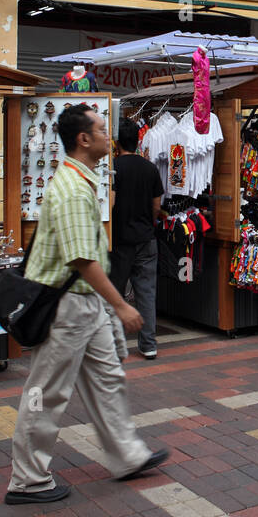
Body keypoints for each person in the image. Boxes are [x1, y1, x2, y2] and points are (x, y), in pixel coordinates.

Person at [6, 104, 168, 504]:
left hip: (84, 302)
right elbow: (82, 259)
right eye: (100, 129)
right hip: (67, 305)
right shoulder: (74, 188)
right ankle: (27, 480)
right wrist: (122, 306)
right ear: (83, 139)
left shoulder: (81, 180)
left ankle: (127, 455)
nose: (106, 135)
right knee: (46, 393)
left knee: (108, 379)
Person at [110, 116, 163, 360]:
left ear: (117, 142)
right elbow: (156, 205)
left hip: (120, 240)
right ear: (137, 140)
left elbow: (108, 205)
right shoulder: (150, 168)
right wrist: (148, 224)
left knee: (115, 293)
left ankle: (114, 344)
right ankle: (149, 344)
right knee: (146, 293)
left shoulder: (113, 169)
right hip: (146, 238)